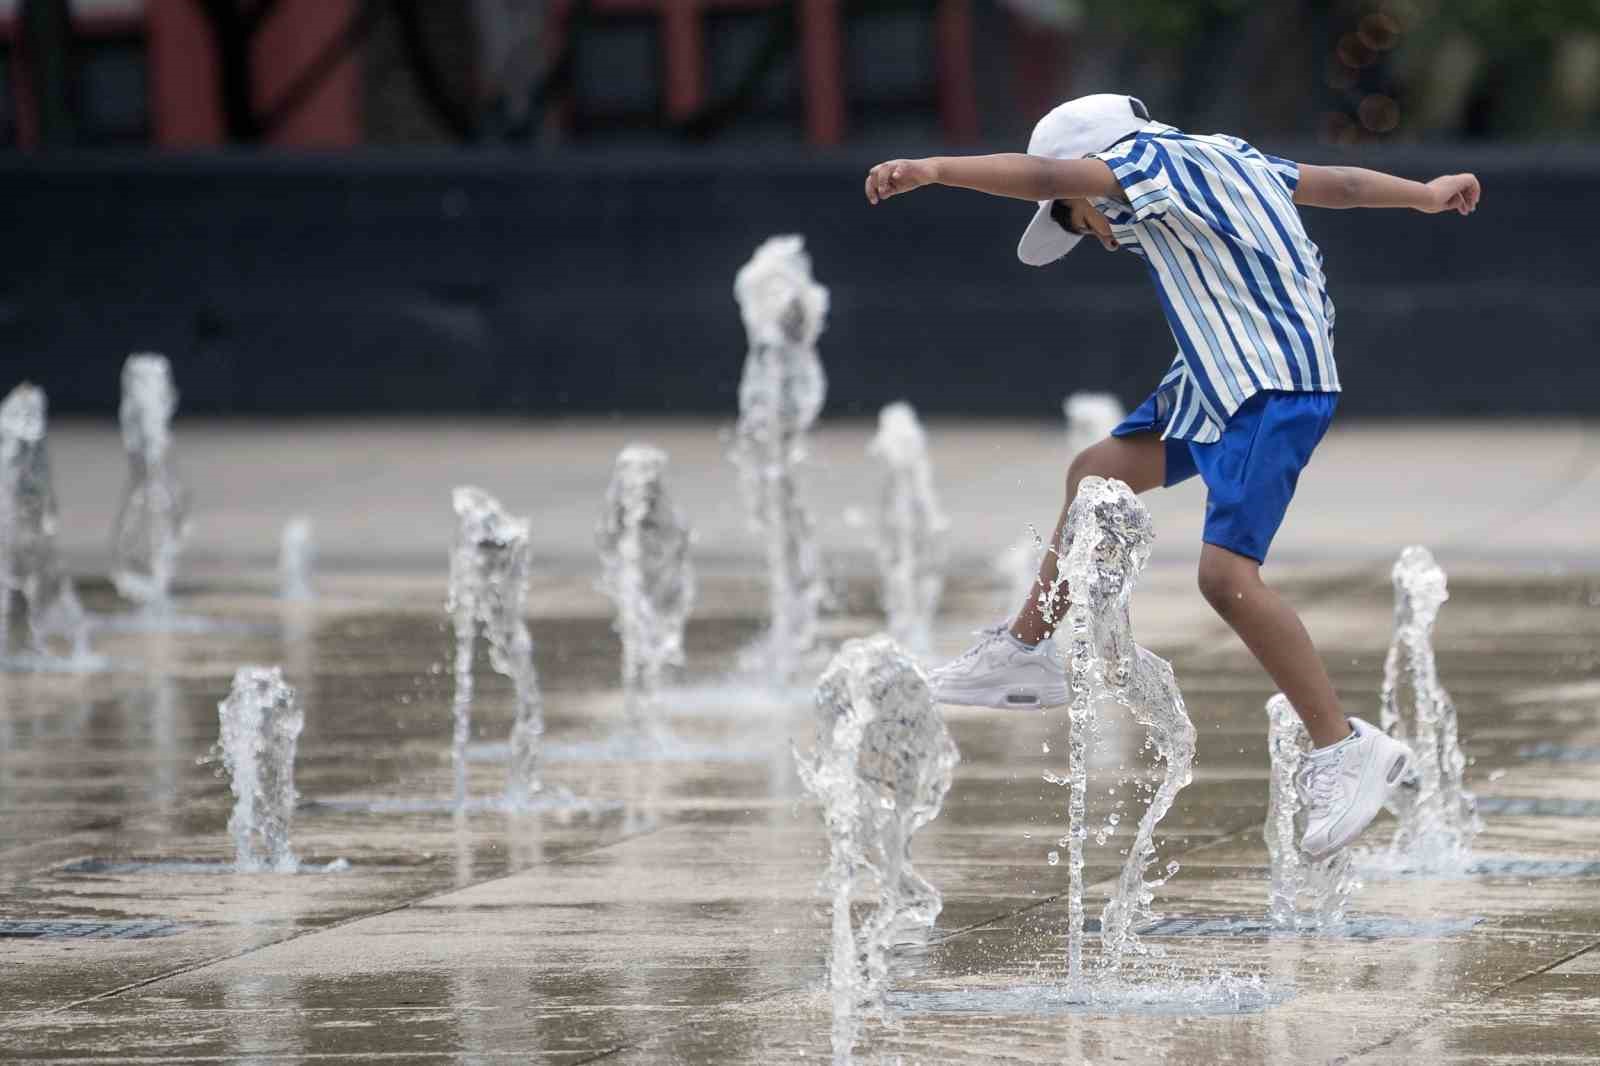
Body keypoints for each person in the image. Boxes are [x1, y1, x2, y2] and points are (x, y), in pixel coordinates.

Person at [863, 93, 1481, 858]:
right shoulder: (1232, 156)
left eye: (1072, 219)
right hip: (1216, 377)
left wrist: (934, 168)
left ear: (1094, 180)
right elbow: (1341, 187)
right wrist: (1421, 194)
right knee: (1098, 474)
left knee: (1226, 580)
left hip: (1269, 389)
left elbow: (1041, 171)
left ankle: (1345, 747)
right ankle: (1026, 651)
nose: (1092, 237)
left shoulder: (1145, 162)